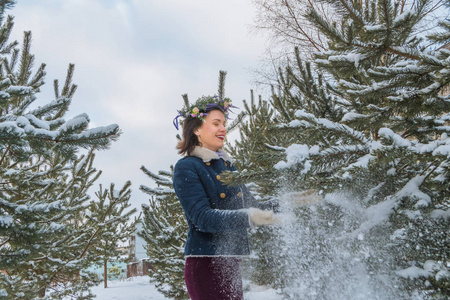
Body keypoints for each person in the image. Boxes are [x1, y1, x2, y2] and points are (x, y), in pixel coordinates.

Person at [172, 95, 281, 300]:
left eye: (224, 123)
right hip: (205, 264)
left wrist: (290, 201)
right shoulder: (187, 167)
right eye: (216, 123)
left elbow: (253, 206)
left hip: (230, 263)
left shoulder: (229, 167)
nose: (223, 128)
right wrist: (248, 217)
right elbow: (202, 218)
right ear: (196, 129)